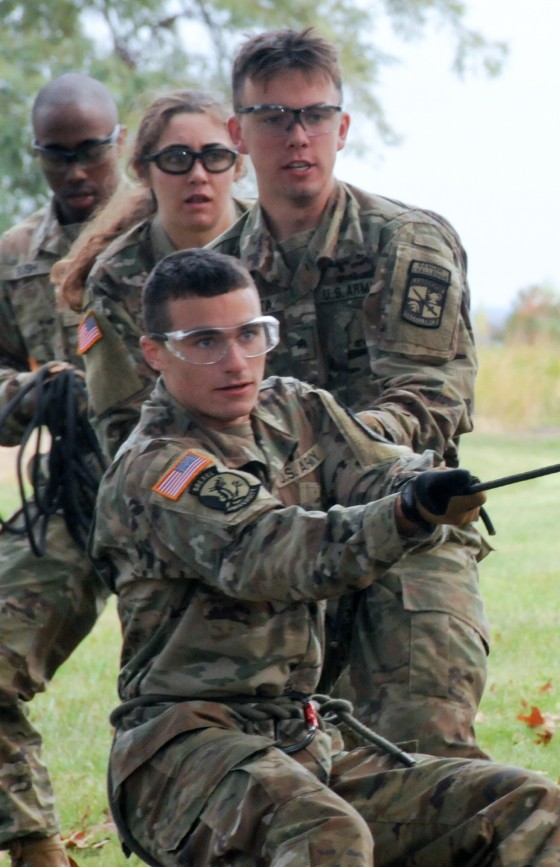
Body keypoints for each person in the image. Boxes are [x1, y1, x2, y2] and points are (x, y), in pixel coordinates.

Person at [89, 248, 560, 867]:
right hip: (184, 759)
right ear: (155, 352)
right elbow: (274, 553)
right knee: (322, 835)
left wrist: (423, 483)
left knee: (523, 806)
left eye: (250, 334)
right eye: (204, 342)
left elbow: (375, 469)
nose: (236, 360)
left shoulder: (294, 409)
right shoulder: (159, 469)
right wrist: (405, 517)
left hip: (300, 743)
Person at [209, 27, 490, 758]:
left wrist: (319, 452)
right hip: (273, 544)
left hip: (409, 525)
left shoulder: (406, 241)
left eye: (315, 115)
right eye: (273, 117)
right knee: (252, 769)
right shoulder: (211, 276)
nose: (297, 136)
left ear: (343, 127)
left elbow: (428, 396)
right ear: (239, 133)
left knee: (426, 753)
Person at [0, 74, 124, 866]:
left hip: (206, 500)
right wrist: (33, 391)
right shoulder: (14, 261)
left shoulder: (187, 227)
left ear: (121, 145)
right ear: (37, 154)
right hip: (77, 505)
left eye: (92, 153)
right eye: (58, 156)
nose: (76, 172)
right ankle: (38, 851)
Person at [54, 89, 250, 460]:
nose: (198, 175)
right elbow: (120, 423)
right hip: (178, 471)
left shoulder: (277, 238)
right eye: (176, 159)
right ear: (144, 170)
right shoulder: (115, 278)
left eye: (215, 157)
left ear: (237, 165)